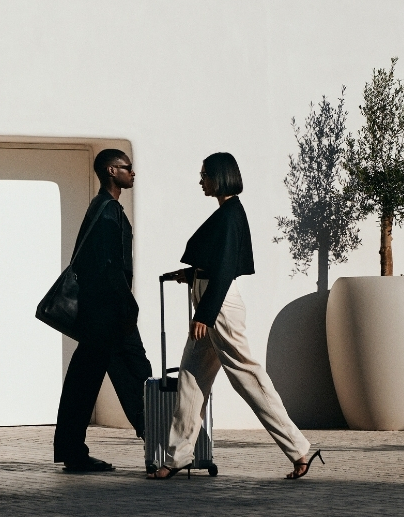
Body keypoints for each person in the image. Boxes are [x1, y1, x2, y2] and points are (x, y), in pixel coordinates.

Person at [148, 152, 322, 480]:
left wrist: (205, 314)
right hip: (212, 301)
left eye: (205, 175)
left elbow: (226, 269)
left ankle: (298, 448)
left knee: (246, 376)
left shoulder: (230, 214)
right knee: (190, 378)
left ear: (220, 177)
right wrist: (191, 273)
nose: (201, 181)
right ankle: (176, 458)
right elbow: (217, 262)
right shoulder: (227, 213)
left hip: (218, 307)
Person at [53, 149, 152, 472]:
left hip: (101, 314)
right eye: (128, 168)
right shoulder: (108, 212)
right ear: (112, 171)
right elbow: (110, 267)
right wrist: (128, 306)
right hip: (111, 313)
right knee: (136, 373)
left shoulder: (102, 208)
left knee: (84, 382)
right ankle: (161, 443)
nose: (133, 173)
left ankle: (72, 450)